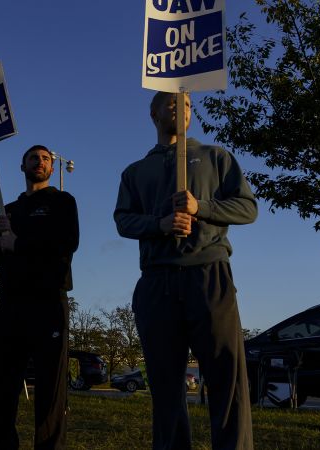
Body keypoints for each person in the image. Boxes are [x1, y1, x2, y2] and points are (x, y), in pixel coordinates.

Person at [114, 91, 257, 449]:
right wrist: (160, 224)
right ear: (154, 113)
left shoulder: (215, 157)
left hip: (209, 275)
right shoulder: (135, 171)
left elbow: (246, 208)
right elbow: (124, 221)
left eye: (189, 104)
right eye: (173, 102)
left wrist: (201, 206)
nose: (182, 108)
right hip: (157, 282)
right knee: (164, 384)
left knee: (227, 379)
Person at [0, 145, 79, 450]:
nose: (40, 162)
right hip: (11, 303)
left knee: (50, 388)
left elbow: (67, 242)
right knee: (2, 384)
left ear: (52, 168)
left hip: (48, 301)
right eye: (33, 158)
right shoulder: (8, 209)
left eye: (46, 159)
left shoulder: (62, 202)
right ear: (22, 166)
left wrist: (19, 242)